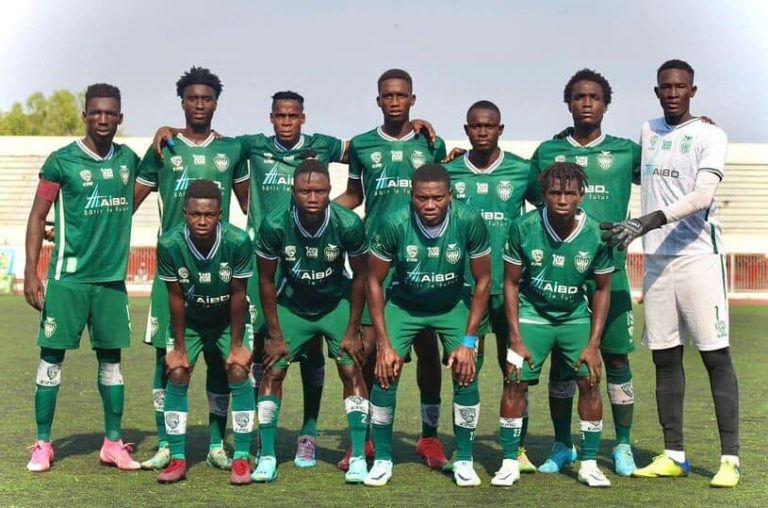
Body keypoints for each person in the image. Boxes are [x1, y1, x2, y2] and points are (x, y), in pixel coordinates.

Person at [602, 59, 740, 488]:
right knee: (664, 357)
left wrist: (645, 222)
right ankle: (674, 454)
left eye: (681, 87)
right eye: (666, 87)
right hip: (658, 260)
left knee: (715, 355)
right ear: (657, 91)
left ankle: (730, 459)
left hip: (699, 258)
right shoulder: (649, 131)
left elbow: (701, 197)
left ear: (692, 91)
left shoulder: (711, 135)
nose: (673, 93)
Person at [134, 66, 250, 471]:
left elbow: (251, 204)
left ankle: (217, 444)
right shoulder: (163, 147)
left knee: (221, 359)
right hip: (174, 269)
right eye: (192, 98)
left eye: (207, 98)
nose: (199, 104)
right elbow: (128, 200)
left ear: (216, 103)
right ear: (181, 102)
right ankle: (167, 443)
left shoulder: (232, 150)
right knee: (166, 358)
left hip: (220, 269)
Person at [335, 68, 450, 471]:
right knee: (368, 349)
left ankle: (429, 436)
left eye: (402, 95)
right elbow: (354, 195)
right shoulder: (363, 145)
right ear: (378, 100)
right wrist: (322, 213)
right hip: (376, 259)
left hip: (423, 258)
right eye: (388, 96)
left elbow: (446, 188)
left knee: (427, 347)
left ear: (413, 99)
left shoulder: (430, 142)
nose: (395, 101)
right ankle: (364, 438)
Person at [24, 83, 141, 472]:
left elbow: (156, 174)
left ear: (120, 117)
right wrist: (31, 272)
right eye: (96, 112)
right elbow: (38, 216)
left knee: (112, 363)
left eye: (110, 113)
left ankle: (112, 444)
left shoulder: (128, 160)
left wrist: (167, 132)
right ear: (85, 116)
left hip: (110, 282)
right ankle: (43, 444)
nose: (103, 119)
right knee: (51, 359)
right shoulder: (61, 161)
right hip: (68, 280)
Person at [529, 69, 641, 476]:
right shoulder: (548, 151)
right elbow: (530, 194)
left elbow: (671, 170)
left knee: (615, 359)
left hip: (610, 273)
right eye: (579, 97)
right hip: (561, 276)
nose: (587, 103)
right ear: (569, 104)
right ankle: (563, 445)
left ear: (606, 104)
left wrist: (698, 127)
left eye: (594, 97)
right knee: (564, 363)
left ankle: (623, 445)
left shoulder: (627, 151)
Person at [364, 163, 490, 487]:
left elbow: (483, 280)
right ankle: (382, 459)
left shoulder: (469, 220)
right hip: (405, 306)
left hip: (452, 305)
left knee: (466, 370)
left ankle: (464, 459)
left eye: (437, 198)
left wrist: (469, 341)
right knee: (385, 371)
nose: (430, 205)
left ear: (451, 196)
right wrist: (383, 344)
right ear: (412, 196)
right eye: (422, 198)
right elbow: (374, 281)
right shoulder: (394, 223)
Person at [253, 159, 370, 484]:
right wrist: (274, 333)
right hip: (293, 305)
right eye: (305, 191)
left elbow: (361, 276)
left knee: (351, 367)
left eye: (320, 191)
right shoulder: (275, 224)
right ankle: (267, 456)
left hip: (335, 305)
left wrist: (352, 330)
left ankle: (358, 456)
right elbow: (266, 280)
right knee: (273, 369)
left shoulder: (347, 223)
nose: (313, 197)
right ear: (293, 192)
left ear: (330, 191)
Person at [497, 162, 613, 487]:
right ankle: (509, 461)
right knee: (514, 380)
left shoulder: (596, 233)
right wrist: (515, 337)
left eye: (570, 193)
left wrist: (594, 344)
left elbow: (602, 289)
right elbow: (510, 283)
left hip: (575, 316)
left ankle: (589, 464)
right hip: (532, 314)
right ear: (544, 195)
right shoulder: (523, 227)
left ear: (581, 195)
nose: (562, 200)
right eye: (555, 193)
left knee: (590, 381)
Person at [444, 100, 541, 473]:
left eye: (489, 126)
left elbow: (547, 210)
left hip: (511, 288)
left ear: (501, 129)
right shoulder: (450, 171)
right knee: (465, 370)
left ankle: (517, 449)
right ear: (466, 130)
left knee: (514, 370)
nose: (482, 131)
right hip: (464, 290)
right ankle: (463, 451)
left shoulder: (522, 170)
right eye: (475, 126)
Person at [154, 180, 255, 485]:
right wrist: (179, 348)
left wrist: (236, 345)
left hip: (227, 319)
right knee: (177, 372)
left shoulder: (237, 241)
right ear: (184, 213)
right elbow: (175, 297)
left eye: (209, 215)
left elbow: (239, 294)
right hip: (191, 321)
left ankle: (241, 458)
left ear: (219, 215)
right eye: (196, 214)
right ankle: (178, 458)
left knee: (238, 369)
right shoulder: (170, 243)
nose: (202, 221)